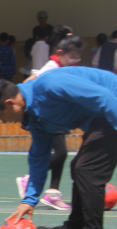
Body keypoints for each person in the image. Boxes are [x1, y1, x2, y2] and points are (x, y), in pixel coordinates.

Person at [0, 67, 117, 229]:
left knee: (86, 169)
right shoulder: (34, 117)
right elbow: (39, 158)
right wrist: (29, 200)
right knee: (79, 167)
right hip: (99, 118)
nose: (3, 122)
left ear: (9, 103)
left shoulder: (51, 85)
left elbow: (104, 97)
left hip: (114, 104)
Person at [16, 26, 82, 211]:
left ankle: (53, 193)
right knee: (60, 152)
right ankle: (29, 179)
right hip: (48, 114)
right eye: (70, 40)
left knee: (62, 154)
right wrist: (20, 102)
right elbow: (32, 79)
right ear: (61, 47)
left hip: (60, 113)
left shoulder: (68, 65)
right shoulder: (52, 66)